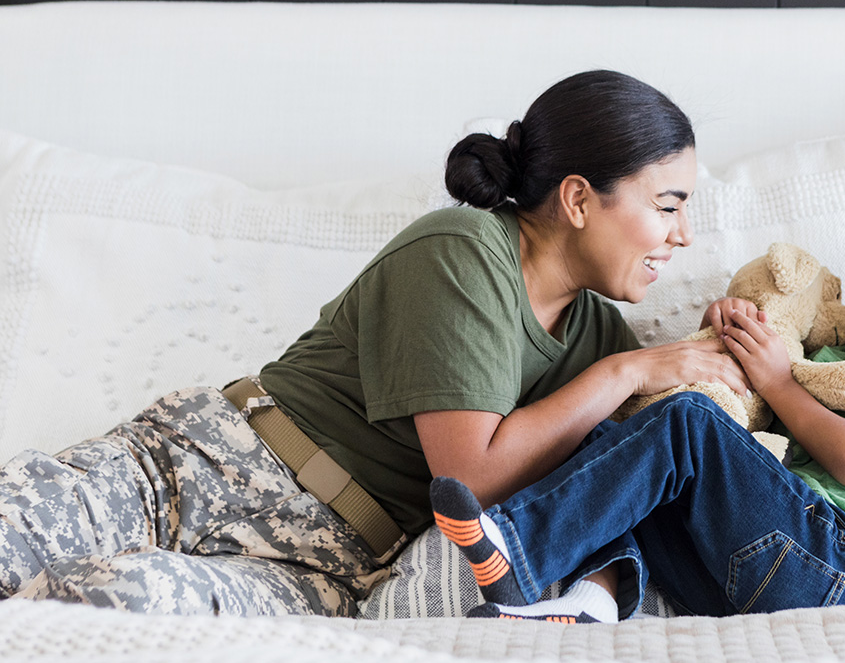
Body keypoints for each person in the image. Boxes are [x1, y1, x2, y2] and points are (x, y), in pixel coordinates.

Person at [0, 70, 748, 616]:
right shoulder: (463, 249)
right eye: (668, 205)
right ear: (580, 199)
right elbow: (472, 474)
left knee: (107, 607)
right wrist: (626, 371)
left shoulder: (600, 337)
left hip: (325, 565)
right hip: (206, 463)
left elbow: (658, 447)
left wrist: (740, 354)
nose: (683, 234)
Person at [430, 205, 845, 622]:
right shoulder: (832, 357)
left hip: (830, 568)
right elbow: (747, 430)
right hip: (745, 572)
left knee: (688, 422)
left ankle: (518, 545)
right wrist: (735, 334)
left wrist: (776, 378)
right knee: (627, 453)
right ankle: (592, 603)